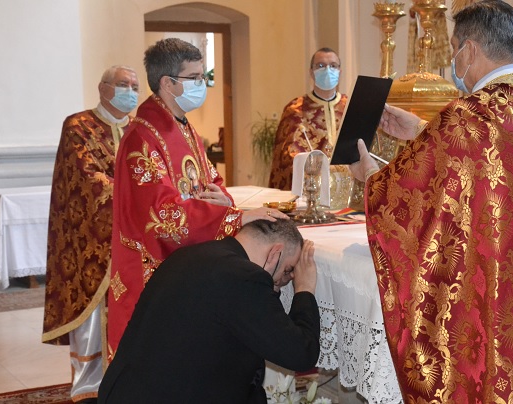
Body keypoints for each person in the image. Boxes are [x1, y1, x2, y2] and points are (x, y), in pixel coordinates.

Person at [350, 1, 513, 402]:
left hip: (509, 304)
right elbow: (497, 171)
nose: (454, 60)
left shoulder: (471, 116)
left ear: (469, 50)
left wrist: (368, 178)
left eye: (454, 49)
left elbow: (411, 201)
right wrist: (421, 130)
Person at [108, 38, 287, 360]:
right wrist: (236, 217)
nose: (202, 85)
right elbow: (163, 219)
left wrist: (222, 195)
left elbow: (207, 180)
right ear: (168, 83)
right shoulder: (143, 138)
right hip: (152, 269)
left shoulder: (182, 127)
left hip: (188, 262)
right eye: (195, 77)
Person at [98, 219, 320, 403]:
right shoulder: (245, 278)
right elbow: (301, 353)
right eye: (288, 270)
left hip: (121, 393)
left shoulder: (187, 255)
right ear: (275, 253)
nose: (284, 281)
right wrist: (304, 290)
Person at [42, 65, 139, 403]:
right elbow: (86, 179)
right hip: (91, 238)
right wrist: (138, 199)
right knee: (95, 308)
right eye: (123, 84)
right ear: (103, 88)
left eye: (135, 85)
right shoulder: (78, 126)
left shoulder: (139, 130)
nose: (131, 91)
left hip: (136, 238)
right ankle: (89, 387)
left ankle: (132, 378)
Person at [268, 47, 349, 191]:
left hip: (346, 186)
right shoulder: (295, 109)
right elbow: (285, 158)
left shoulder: (350, 106)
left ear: (340, 71)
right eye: (321, 65)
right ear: (311, 72)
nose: (327, 70)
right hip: (309, 189)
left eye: (333, 66)